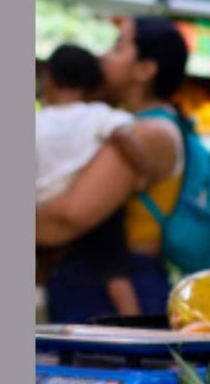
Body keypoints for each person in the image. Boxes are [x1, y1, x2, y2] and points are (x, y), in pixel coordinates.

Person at [36, 17, 203, 322]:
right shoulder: (125, 122)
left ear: (145, 69)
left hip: (111, 290)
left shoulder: (147, 133)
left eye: (117, 47)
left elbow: (67, 217)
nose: (103, 57)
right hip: (103, 282)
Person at [35, 44, 140, 315]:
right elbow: (124, 135)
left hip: (44, 207)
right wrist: (142, 171)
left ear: (50, 79)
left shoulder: (37, 121)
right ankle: (131, 320)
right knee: (114, 266)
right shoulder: (98, 114)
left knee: (43, 264)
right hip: (92, 205)